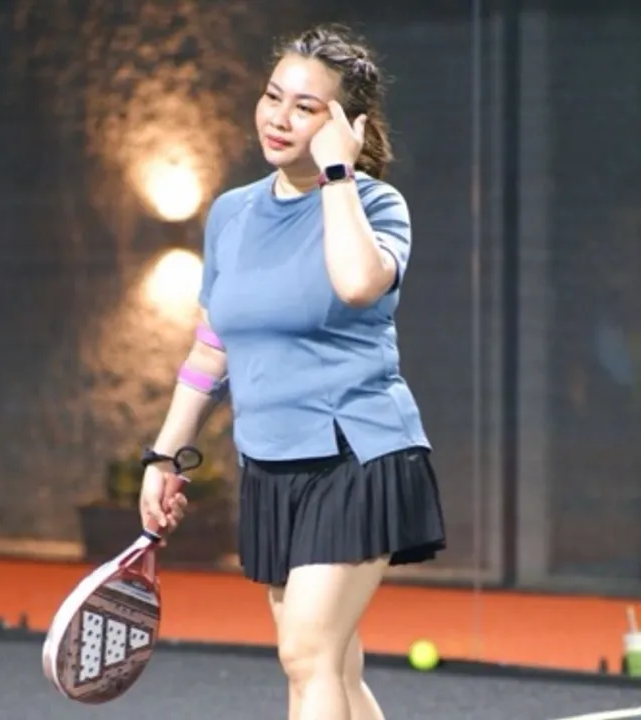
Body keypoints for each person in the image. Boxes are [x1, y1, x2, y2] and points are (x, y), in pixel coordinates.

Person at [138, 23, 446, 720]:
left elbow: (358, 283)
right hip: (271, 467)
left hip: (356, 455)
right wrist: (164, 456)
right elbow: (212, 349)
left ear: (345, 125)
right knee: (330, 666)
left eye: (305, 107)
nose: (278, 117)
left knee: (307, 657)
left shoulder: (375, 205)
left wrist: (338, 173)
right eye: (273, 96)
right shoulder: (231, 213)